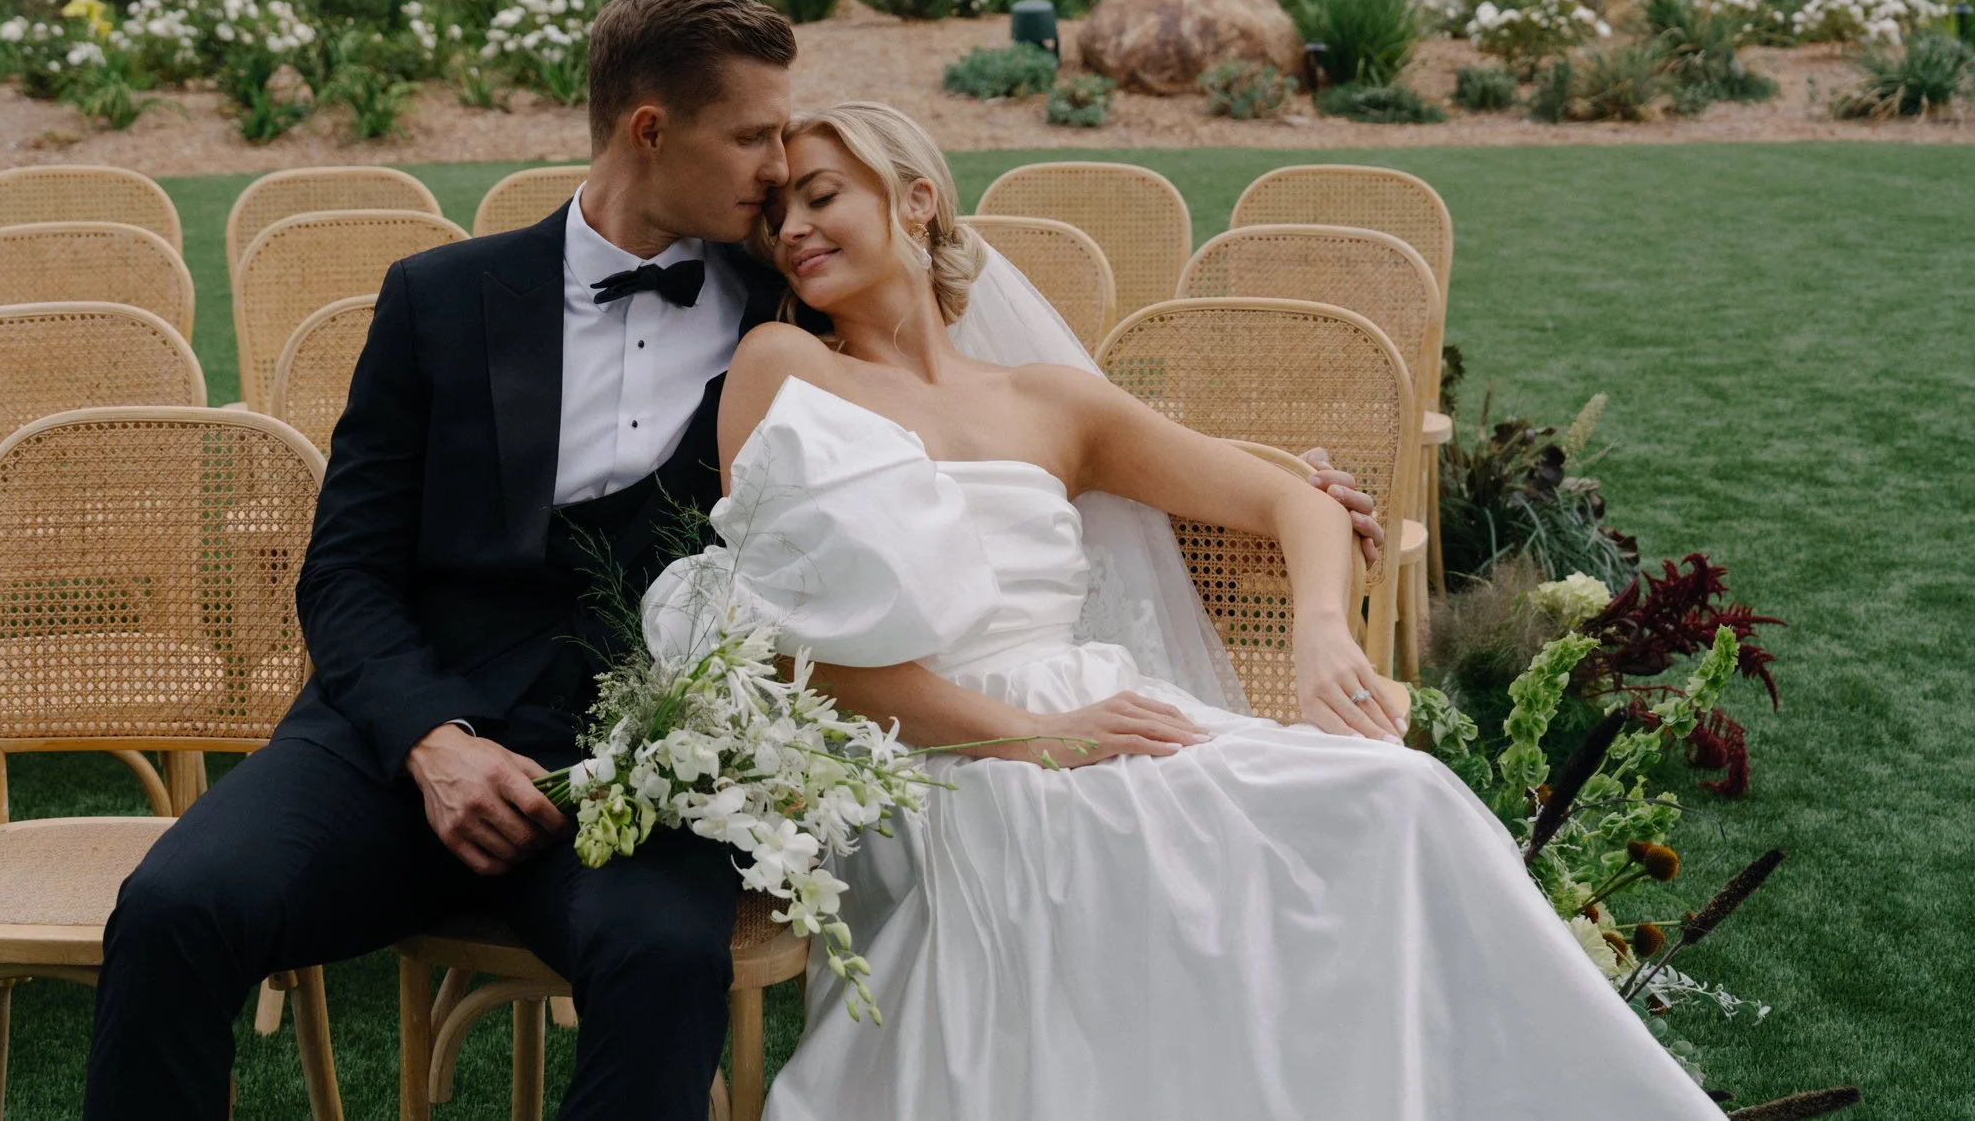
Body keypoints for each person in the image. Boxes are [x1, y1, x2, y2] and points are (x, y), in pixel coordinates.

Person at [85, 0, 1380, 1117]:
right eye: (755, 135)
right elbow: (346, 571)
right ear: (653, 129)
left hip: (650, 756)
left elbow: (978, 420)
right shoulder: (442, 295)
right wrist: (432, 740)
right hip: (394, 739)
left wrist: (1287, 478)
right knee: (174, 905)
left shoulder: (789, 315)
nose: (779, 170)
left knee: (662, 961)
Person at [641, 101, 1724, 1121]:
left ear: (915, 197)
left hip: (1103, 708)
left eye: (821, 194)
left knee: (1402, 794)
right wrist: (1037, 738)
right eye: (776, 211)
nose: (792, 226)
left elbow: (1288, 501)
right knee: (1138, 850)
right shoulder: (784, 366)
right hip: (931, 751)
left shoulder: (1049, 401)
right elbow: (784, 650)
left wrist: (1318, 640)